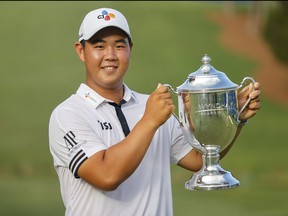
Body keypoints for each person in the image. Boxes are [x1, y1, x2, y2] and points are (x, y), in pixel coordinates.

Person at [48, 7, 261, 216]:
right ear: (81, 51)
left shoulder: (152, 107)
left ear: (130, 48)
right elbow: (106, 175)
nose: (110, 55)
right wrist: (150, 120)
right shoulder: (68, 114)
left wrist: (234, 118)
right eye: (99, 46)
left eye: (119, 46)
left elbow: (200, 160)